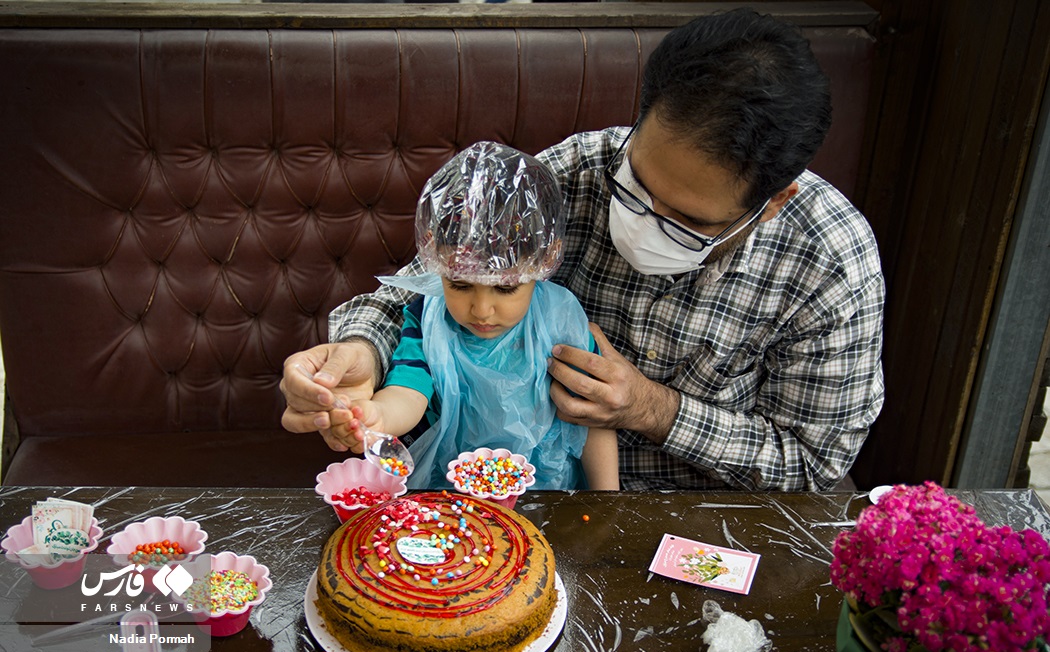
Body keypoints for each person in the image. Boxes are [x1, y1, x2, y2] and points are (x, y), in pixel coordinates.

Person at [280, 8, 885, 491]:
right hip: (503, 491)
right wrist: (355, 354)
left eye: (687, 222)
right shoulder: (565, 177)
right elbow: (422, 289)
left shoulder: (829, 262)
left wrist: (653, 410)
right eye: (637, 189)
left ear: (770, 203)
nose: (646, 223)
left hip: (694, 508)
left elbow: (813, 463)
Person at [329, 142, 619, 490]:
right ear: (434, 256)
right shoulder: (428, 320)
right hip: (450, 492)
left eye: (505, 288)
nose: (481, 310)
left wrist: (608, 500)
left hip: (546, 491)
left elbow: (596, 419)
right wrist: (377, 417)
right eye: (460, 286)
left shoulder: (560, 321)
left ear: (543, 262)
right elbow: (408, 392)